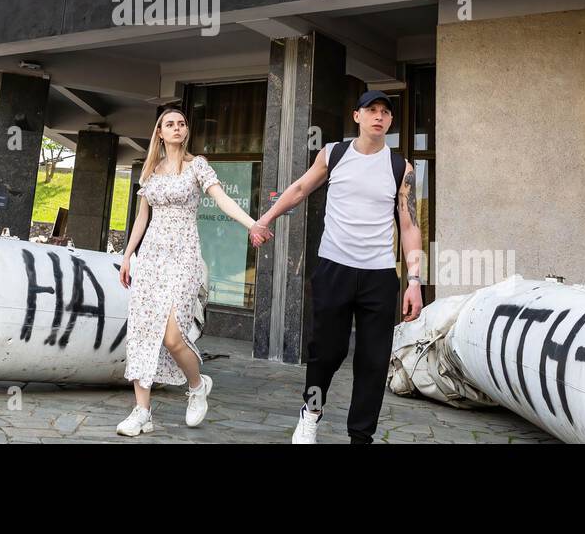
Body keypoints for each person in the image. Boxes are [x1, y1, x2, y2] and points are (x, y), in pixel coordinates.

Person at [253, 91, 423, 444]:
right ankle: (311, 411)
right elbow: (300, 189)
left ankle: (361, 436)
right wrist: (265, 219)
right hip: (334, 270)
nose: (379, 116)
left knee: (373, 363)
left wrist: (415, 281)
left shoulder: (400, 168)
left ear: (390, 121)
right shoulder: (334, 153)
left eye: (385, 112)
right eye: (371, 110)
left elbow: (409, 226)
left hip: (378, 276)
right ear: (357, 115)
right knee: (326, 353)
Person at [116, 107, 272, 436]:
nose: (176, 128)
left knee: (173, 337)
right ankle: (142, 412)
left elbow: (223, 200)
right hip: (151, 260)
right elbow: (142, 218)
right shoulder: (150, 172)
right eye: (169, 124)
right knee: (142, 335)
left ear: (186, 131)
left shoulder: (196, 165)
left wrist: (252, 224)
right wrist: (128, 255)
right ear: (159, 132)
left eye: (181, 123)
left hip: (184, 258)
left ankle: (197, 385)